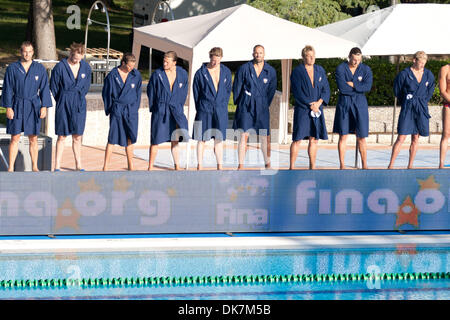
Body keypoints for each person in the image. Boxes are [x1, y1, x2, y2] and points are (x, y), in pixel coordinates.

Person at [1, 41, 52, 172]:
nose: (27, 54)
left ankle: (35, 166)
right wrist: (8, 107)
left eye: (29, 51)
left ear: (33, 52)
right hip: (16, 104)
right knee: (15, 137)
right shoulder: (13, 68)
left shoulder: (39, 69)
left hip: (33, 105)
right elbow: (7, 88)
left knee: (33, 137)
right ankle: (11, 167)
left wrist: (44, 106)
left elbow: (45, 88)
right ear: (20, 52)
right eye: (24, 51)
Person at [388, 51, 435, 169]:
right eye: (421, 63)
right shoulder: (404, 74)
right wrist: (406, 101)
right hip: (408, 107)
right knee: (401, 137)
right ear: (414, 60)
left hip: (421, 107)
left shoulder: (428, 74)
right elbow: (397, 90)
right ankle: (391, 165)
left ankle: (410, 165)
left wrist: (423, 101)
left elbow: (430, 90)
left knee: (415, 137)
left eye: (424, 63)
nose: (422, 65)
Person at [232, 44, 277, 169]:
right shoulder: (244, 68)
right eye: (256, 53)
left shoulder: (270, 71)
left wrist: (263, 103)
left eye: (260, 53)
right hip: (246, 106)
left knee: (265, 136)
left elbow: (271, 90)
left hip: (262, 106)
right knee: (243, 135)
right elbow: (237, 87)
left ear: (264, 54)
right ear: (253, 54)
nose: (258, 55)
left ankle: (267, 163)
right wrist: (240, 102)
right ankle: (240, 165)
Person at [50, 42, 91, 171]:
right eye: (74, 58)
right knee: (62, 136)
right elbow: (54, 86)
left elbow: (86, 86)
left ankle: (78, 165)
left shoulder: (85, 67)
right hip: (64, 102)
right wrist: (62, 98)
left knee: (77, 136)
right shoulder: (60, 67)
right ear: (70, 54)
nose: (76, 60)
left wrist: (77, 97)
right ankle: (57, 165)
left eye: (79, 58)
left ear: (82, 56)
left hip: (79, 103)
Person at [290, 45, 330, 170]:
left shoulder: (320, 70)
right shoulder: (298, 71)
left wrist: (319, 103)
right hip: (303, 109)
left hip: (317, 109)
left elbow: (326, 88)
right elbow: (297, 92)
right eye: (309, 56)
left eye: (313, 56)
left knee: (314, 139)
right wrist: (310, 104)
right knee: (297, 138)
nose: (312, 58)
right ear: (303, 57)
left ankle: (312, 166)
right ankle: (291, 167)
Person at [147, 51, 189, 170]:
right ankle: (150, 166)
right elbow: (151, 92)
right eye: (164, 61)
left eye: (167, 61)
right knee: (155, 139)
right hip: (161, 109)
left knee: (175, 138)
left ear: (174, 62)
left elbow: (184, 92)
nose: (164, 63)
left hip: (176, 109)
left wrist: (179, 107)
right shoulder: (157, 74)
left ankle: (177, 166)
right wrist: (155, 108)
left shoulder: (182, 74)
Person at [333, 47, 373, 170]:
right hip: (344, 103)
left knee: (361, 136)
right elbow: (342, 88)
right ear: (349, 56)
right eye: (354, 59)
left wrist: (353, 84)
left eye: (359, 60)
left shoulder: (365, 69)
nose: (356, 62)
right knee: (343, 135)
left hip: (360, 104)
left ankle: (365, 164)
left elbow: (367, 86)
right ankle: (342, 164)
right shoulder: (340, 68)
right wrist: (358, 87)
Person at [193, 47, 232, 170]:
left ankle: (220, 165)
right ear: (210, 57)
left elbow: (227, 90)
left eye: (217, 60)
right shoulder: (200, 73)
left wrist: (223, 105)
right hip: (204, 109)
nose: (215, 63)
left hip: (220, 109)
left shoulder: (226, 72)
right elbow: (196, 93)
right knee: (201, 138)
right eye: (213, 60)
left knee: (219, 138)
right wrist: (201, 108)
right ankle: (200, 165)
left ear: (221, 58)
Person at [102, 53, 142, 171]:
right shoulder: (112, 76)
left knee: (130, 137)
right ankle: (105, 166)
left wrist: (135, 108)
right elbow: (106, 94)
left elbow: (138, 93)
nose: (131, 69)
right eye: (129, 66)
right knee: (112, 138)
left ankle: (131, 165)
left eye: (133, 66)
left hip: (131, 110)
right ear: (123, 63)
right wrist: (111, 109)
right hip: (117, 110)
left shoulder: (136, 75)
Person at [438, 63, 450, 168]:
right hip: (448, 105)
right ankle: (441, 163)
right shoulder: (445, 69)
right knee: (446, 134)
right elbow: (442, 91)